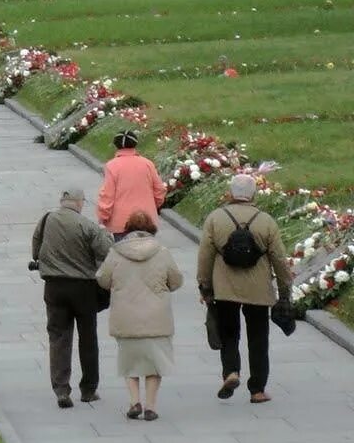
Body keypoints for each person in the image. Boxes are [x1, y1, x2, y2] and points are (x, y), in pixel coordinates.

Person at [197, 173, 293, 404]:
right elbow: (279, 258)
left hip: (225, 287)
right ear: (254, 195)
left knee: (229, 332)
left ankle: (231, 371)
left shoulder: (216, 218)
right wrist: (284, 290)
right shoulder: (266, 221)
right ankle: (257, 389)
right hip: (258, 289)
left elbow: (205, 256)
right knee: (258, 337)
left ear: (230, 194)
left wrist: (205, 286)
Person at [97, 210, 183, 421]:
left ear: (128, 229)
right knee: (154, 363)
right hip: (156, 317)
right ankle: (151, 406)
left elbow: (102, 279)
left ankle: (134, 401)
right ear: (151, 230)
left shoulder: (116, 252)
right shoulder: (161, 252)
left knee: (129, 361)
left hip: (125, 315)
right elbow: (176, 280)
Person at [32, 188, 112, 408]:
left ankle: (61, 390)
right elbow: (106, 252)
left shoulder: (47, 219)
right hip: (83, 288)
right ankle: (88, 389)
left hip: (54, 287)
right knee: (88, 338)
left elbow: (35, 248)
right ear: (79, 203)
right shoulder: (87, 225)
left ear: (62, 202)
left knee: (58, 337)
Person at [96, 131, 166, 239]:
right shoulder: (147, 164)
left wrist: (103, 217)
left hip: (121, 223)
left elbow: (107, 195)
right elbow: (159, 190)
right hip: (146, 221)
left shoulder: (112, 166)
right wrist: (153, 206)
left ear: (116, 145)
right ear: (135, 144)